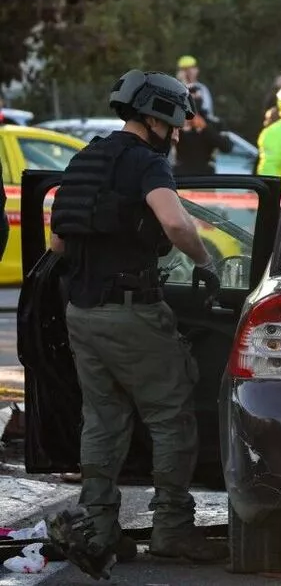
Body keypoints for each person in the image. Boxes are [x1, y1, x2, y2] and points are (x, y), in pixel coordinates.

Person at [44, 69, 226, 578]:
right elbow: (173, 222)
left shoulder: (85, 159)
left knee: (102, 419)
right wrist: (205, 262)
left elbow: (57, 245)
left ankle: (99, 529)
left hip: (81, 311)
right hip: (132, 312)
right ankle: (172, 529)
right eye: (176, 122)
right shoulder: (146, 164)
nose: (178, 133)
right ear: (157, 116)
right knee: (171, 415)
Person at [173, 84, 232, 176]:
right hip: (181, 177)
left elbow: (227, 147)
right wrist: (181, 128)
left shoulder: (215, 123)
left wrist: (205, 128)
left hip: (205, 178)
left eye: (197, 96)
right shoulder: (176, 121)